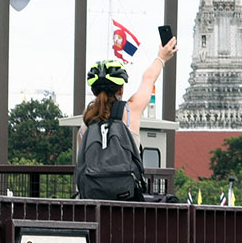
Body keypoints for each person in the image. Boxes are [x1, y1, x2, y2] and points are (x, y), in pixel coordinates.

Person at [74, 38, 178, 200]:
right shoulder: (130, 111)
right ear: (121, 89)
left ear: (94, 91)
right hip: (125, 199)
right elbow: (148, 79)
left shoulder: (86, 123)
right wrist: (162, 57)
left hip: (92, 200)